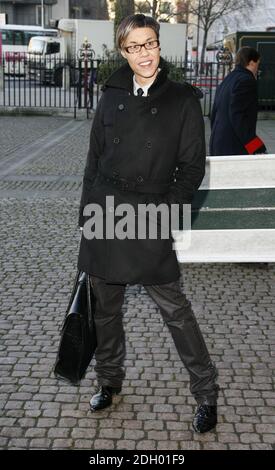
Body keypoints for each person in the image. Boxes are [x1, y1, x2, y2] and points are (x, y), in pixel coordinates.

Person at [78, 14, 219, 433]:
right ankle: (109, 381)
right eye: (134, 46)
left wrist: (165, 214)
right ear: (123, 51)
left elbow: (192, 168)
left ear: (159, 45)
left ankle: (207, 393)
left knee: (175, 310)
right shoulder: (111, 95)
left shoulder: (182, 99)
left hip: (149, 215)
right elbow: (93, 162)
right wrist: (89, 216)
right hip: (105, 216)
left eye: (150, 43)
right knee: (106, 311)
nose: (143, 53)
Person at [210, 46, 267, 156]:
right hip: (233, 146)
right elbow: (237, 116)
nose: (257, 69)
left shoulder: (228, 79)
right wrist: (256, 147)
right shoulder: (246, 80)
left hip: (219, 142)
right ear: (251, 63)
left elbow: (214, 113)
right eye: (258, 64)